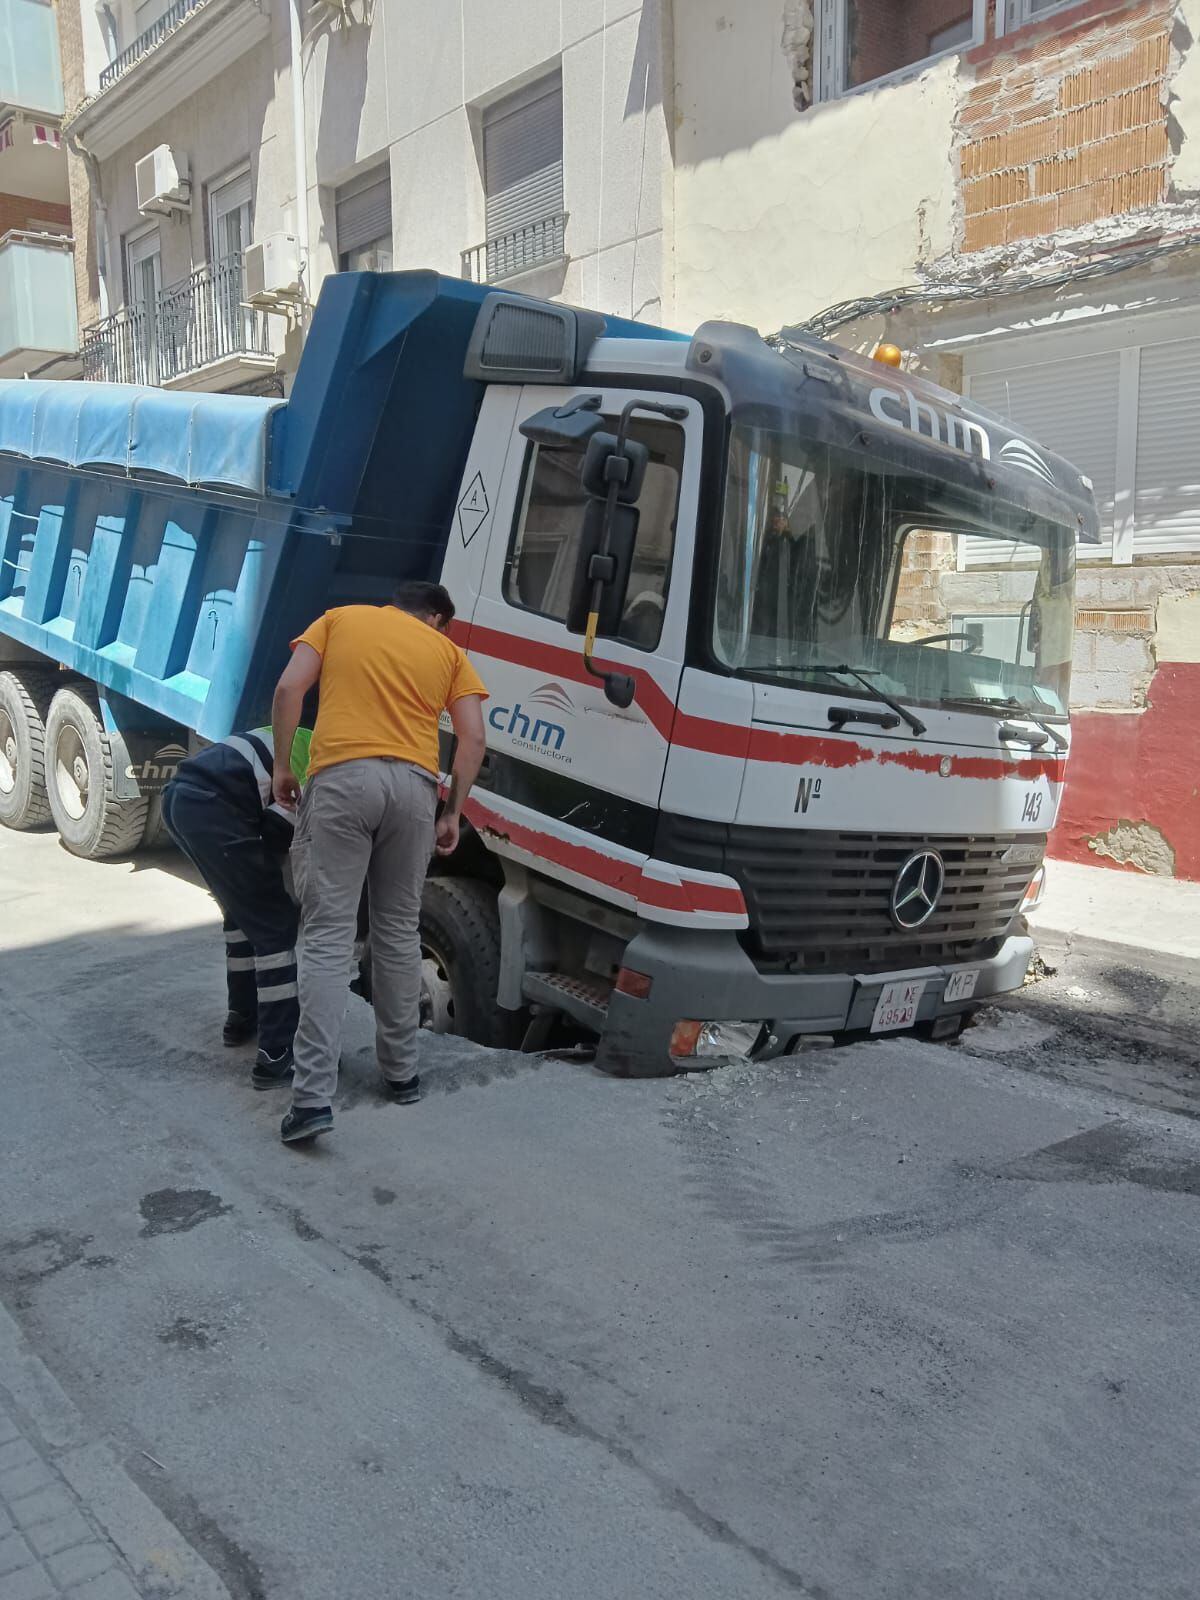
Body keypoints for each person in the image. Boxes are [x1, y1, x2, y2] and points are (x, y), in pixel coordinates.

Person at [271, 579, 488, 1145]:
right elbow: (472, 738)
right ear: (438, 619)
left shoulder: (339, 619)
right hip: (414, 789)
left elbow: (289, 689)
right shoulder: (449, 653)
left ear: (395, 605)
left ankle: (313, 1099)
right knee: (396, 931)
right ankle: (401, 1074)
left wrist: (281, 768)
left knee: (327, 935)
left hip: (342, 778)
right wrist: (452, 812)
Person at [161, 727, 311, 1090]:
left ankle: (242, 1017)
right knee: (275, 924)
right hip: (214, 805)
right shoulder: (320, 761)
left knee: (241, 911)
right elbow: (276, 831)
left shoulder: (302, 736)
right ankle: (277, 1054)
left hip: (180, 798)